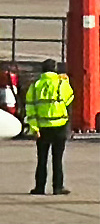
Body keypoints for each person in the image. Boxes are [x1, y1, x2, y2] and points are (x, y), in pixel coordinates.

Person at [25, 58, 75, 196]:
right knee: (57, 159)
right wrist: (66, 81)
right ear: (55, 69)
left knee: (41, 159)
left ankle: (39, 187)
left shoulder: (35, 86)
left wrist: (34, 128)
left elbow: (30, 108)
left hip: (42, 128)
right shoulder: (60, 83)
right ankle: (57, 187)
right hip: (59, 125)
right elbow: (69, 98)